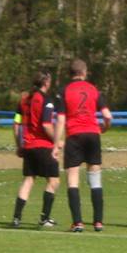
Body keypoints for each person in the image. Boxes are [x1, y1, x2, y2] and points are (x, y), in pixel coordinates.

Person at [53, 59, 113, 232]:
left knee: (73, 178)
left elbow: (61, 119)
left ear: (69, 73)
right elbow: (108, 116)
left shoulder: (63, 91)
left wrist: (56, 143)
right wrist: (105, 128)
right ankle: (98, 222)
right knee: (95, 177)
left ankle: (78, 222)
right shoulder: (93, 89)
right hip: (93, 134)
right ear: (84, 72)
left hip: (74, 135)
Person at [11, 71, 60, 228]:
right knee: (53, 181)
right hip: (43, 146)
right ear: (46, 83)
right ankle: (44, 218)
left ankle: (16, 218)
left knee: (29, 180)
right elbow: (46, 125)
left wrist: (19, 145)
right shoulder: (46, 100)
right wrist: (57, 141)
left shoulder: (24, 100)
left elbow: (16, 123)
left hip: (28, 146)